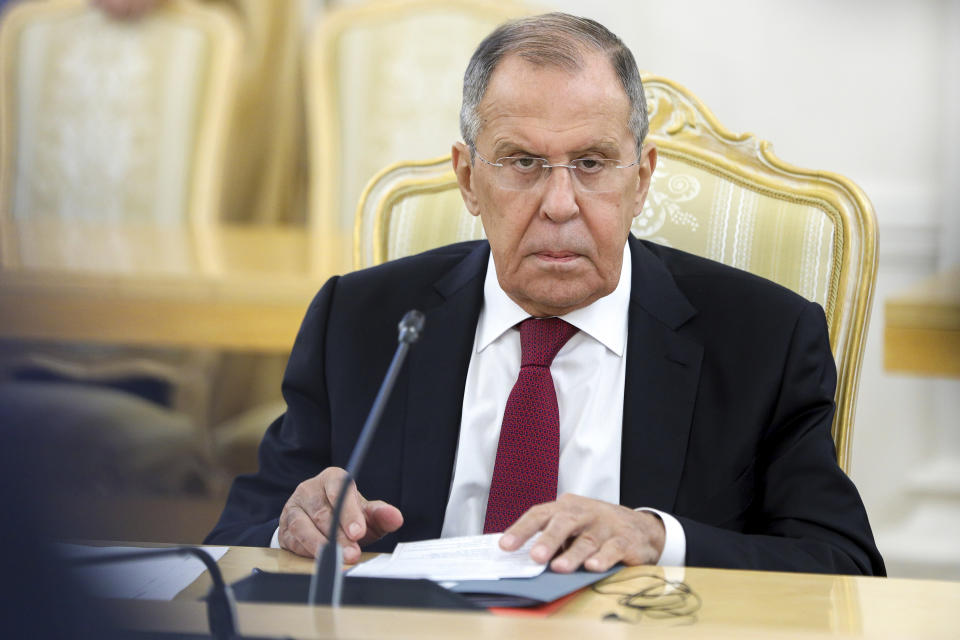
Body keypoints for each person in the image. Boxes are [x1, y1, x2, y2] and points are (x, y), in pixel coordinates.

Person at [207, 13, 884, 576]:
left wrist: (657, 538)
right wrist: (290, 525)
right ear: (468, 179)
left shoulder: (762, 340)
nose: (560, 204)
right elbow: (238, 532)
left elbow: (842, 565)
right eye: (523, 164)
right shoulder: (363, 322)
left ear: (641, 178)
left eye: (591, 164)